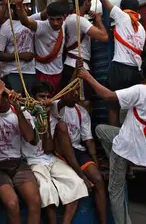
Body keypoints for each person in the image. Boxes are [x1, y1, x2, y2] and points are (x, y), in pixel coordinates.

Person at [81, 59, 146, 224]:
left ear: (142, 74)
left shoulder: (141, 90)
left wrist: (87, 77)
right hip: (144, 141)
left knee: (115, 191)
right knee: (101, 129)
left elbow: (107, 96)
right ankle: (119, 164)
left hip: (128, 145)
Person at [22, 82, 88, 224]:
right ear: (32, 98)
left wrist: (45, 119)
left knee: (77, 183)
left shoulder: (51, 112)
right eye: (41, 96)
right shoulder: (25, 114)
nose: (45, 100)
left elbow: (48, 148)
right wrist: (41, 119)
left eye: (47, 96)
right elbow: (32, 140)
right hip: (32, 160)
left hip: (49, 157)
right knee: (46, 189)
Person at [0, 79, 42, 224]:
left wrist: (18, 108)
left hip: (17, 164)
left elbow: (30, 137)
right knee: (12, 204)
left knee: (35, 201)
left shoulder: (20, 113)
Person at [92, 0, 146, 126]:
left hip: (119, 69)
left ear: (123, 8)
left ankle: (114, 140)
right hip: (136, 72)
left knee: (112, 105)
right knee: (134, 108)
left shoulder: (122, 17)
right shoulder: (141, 28)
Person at [50, 88, 107, 224]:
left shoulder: (81, 112)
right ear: (64, 92)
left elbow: (88, 140)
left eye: (78, 91)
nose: (76, 94)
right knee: (62, 127)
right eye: (72, 91)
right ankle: (81, 175)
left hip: (77, 150)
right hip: (59, 151)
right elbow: (60, 104)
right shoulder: (56, 105)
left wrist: (95, 163)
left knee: (98, 179)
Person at [61, 0, 108, 110]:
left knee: (72, 102)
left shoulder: (68, 19)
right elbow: (104, 36)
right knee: (84, 103)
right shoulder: (80, 20)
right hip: (79, 65)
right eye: (90, 2)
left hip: (70, 63)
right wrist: (98, 21)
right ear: (86, 2)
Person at [15, 0, 68, 95]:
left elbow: (58, 3)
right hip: (42, 72)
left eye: (58, 19)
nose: (55, 23)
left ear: (64, 18)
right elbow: (25, 21)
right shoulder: (42, 26)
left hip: (59, 72)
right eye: (52, 19)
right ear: (47, 17)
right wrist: (19, 5)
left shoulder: (64, 25)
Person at [0, 3, 36, 94]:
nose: (24, 8)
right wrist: (20, 56)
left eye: (26, 5)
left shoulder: (32, 20)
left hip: (31, 71)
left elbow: (47, 12)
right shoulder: (6, 27)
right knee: (15, 102)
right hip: (13, 73)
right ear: (12, 8)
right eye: (20, 5)